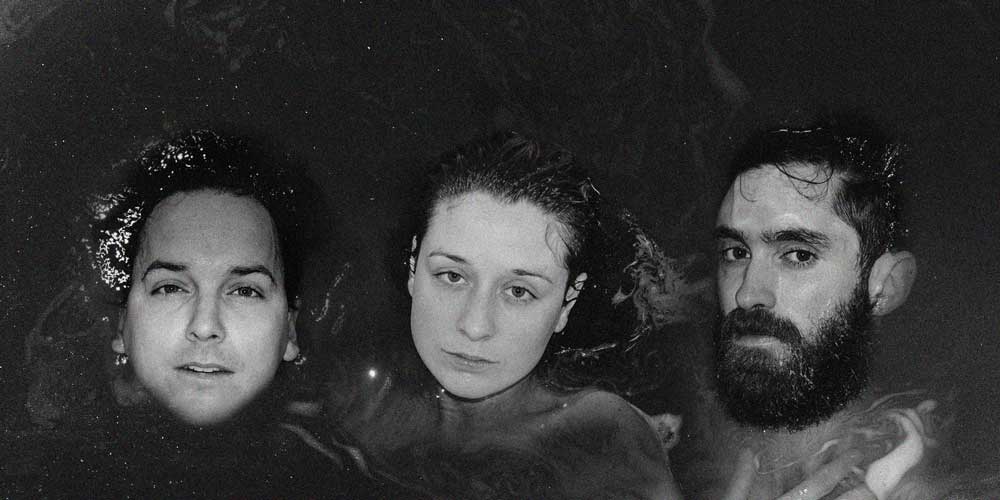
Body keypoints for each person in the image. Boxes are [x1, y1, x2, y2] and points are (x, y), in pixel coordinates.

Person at [329, 132, 683, 499]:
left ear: (567, 302)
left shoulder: (604, 439)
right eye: (452, 276)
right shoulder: (355, 400)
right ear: (413, 268)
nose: (474, 326)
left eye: (518, 291)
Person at [70, 129, 422, 498]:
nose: (205, 326)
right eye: (170, 287)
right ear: (122, 324)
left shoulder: (347, 477)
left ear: (290, 331)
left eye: (245, 291)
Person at [680, 115, 960, 499]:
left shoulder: (932, 481)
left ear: (885, 286)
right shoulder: (680, 429)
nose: (747, 294)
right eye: (736, 252)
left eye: (798, 254)